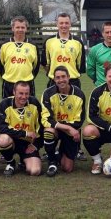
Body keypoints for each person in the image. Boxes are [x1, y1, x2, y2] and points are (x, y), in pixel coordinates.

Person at [41, 12, 86, 160]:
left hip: (72, 81)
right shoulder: (49, 41)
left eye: (66, 23)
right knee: (51, 114)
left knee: (75, 116)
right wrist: (56, 78)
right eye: (61, 23)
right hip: (54, 81)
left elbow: (80, 66)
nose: (64, 25)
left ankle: (76, 148)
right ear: (57, 24)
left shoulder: (78, 42)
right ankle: (50, 147)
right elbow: (45, 63)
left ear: (70, 24)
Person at [41, 66, 86, 177]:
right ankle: (52, 162)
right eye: (57, 78)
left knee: (67, 168)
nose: (61, 80)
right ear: (54, 80)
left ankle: (57, 153)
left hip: (70, 132)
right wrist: (67, 127)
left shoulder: (79, 94)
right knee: (48, 131)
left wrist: (69, 128)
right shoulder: (47, 94)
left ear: (69, 77)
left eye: (63, 77)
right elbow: (46, 119)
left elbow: (79, 121)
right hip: (57, 129)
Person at [0, 81, 43, 176]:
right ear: (14, 92)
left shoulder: (34, 103)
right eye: (21, 93)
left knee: (35, 171)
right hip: (12, 141)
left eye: (26, 93)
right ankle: (10, 163)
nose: (24, 97)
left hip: (28, 144)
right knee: (3, 140)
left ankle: (24, 161)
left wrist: (36, 145)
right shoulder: (5, 104)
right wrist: (25, 133)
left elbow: (43, 126)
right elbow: (2, 128)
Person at [0, 16, 40, 98]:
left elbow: (36, 66)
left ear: (26, 29)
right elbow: (0, 65)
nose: (20, 29)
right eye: (17, 27)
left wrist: (29, 77)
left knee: (29, 109)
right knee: (7, 108)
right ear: (12, 28)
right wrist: (7, 77)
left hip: (27, 83)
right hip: (9, 83)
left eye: (22, 27)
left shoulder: (33, 46)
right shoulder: (4, 45)